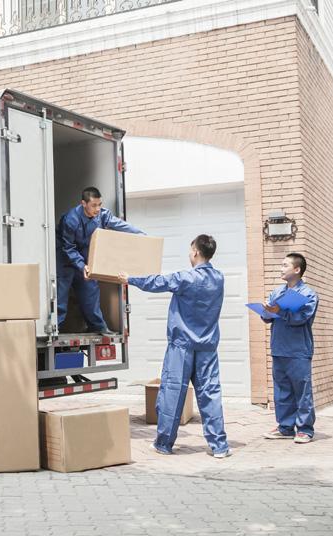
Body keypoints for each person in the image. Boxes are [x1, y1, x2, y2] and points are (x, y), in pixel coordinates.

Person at [117, 235, 230, 458]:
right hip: (207, 347)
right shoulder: (219, 278)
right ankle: (220, 446)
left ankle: (164, 443)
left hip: (182, 346)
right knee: (210, 394)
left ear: (195, 251)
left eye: (190, 250)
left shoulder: (185, 278)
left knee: (173, 393)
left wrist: (130, 279)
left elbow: (157, 283)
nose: (189, 254)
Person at [56, 186, 143, 334]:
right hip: (66, 258)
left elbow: (120, 225)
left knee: (90, 291)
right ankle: (56, 328)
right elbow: (68, 247)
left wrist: (140, 234)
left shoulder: (102, 215)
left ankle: (98, 327)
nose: (97, 209)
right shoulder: (71, 219)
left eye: (99, 204)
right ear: (84, 203)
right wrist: (81, 265)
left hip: (85, 256)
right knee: (61, 293)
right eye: (93, 205)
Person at [260, 253, 319, 444]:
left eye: (285, 265)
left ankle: (305, 429)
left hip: (298, 350)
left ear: (297, 269)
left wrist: (280, 312)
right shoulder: (277, 292)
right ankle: (285, 427)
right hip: (279, 348)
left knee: (302, 392)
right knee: (282, 391)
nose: (281, 268)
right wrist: (266, 311)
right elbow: (267, 318)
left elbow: (301, 318)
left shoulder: (308, 294)